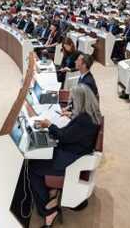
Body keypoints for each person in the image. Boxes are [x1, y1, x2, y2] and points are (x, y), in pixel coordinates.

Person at [28, 85, 102, 227]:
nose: (71, 103)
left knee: (33, 168)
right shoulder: (92, 113)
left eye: (73, 100)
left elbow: (63, 136)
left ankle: (47, 211)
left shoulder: (83, 120)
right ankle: (51, 196)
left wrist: (49, 125)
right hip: (76, 152)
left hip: (71, 160)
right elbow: (72, 132)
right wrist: (69, 117)